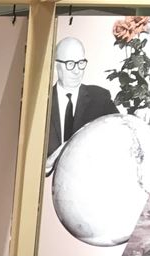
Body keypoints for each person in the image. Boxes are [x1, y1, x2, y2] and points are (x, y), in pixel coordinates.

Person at [46, 36, 118, 170]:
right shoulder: (42, 102)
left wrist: (137, 115)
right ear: (56, 66)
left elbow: (120, 129)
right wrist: (45, 166)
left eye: (80, 62)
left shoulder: (100, 98)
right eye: (70, 63)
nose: (76, 70)